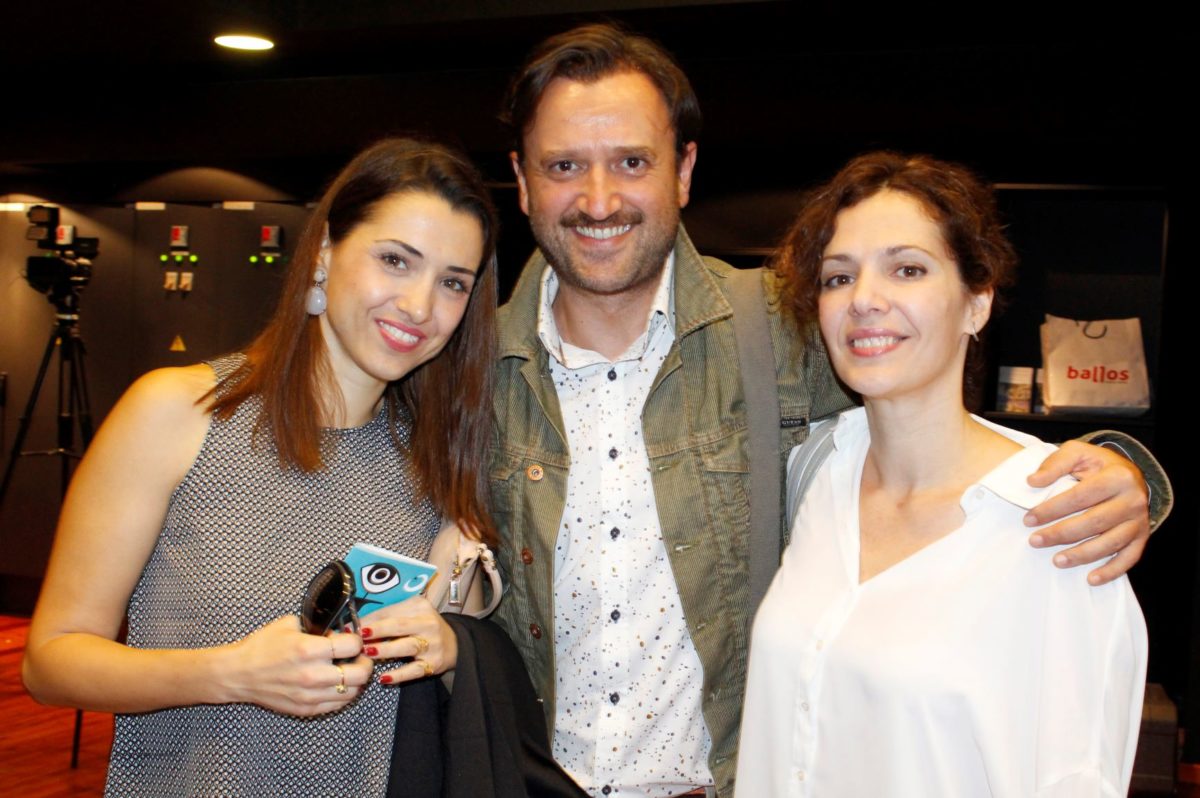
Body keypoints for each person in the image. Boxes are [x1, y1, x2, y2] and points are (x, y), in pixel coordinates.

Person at [489, 23, 1164, 798]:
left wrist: (1126, 473)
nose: (599, 199)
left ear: (684, 171)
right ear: (522, 180)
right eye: (564, 165)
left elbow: (926, 407)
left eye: (633, 162)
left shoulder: (781, 329)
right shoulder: (466, 370)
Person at [22, 137, 499, 797]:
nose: (420, 306)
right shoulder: (181, 413)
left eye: (452, 283)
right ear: (325, 254)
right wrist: (232, 674)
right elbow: (52, 661)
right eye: (395, 260)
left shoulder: (437, 462)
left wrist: (445, 644)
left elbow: (442, 702)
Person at [737, 152, 1148, 795]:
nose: (864, 300)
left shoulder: (1058, 521)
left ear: (976, 303)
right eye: (839, 277)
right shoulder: (817, 470)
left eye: (907, 269)